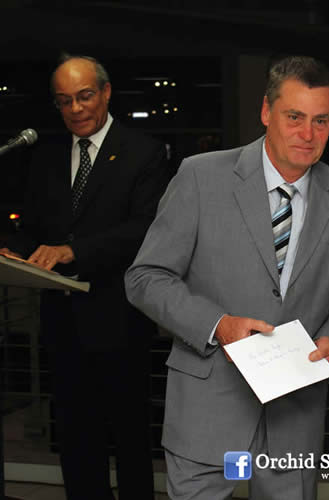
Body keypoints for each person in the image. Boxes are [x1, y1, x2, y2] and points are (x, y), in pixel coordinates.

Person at [124, 55, 329, 500]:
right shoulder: (200, 176)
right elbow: (146, 277)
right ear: (266, 112)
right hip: (207, 411)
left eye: (320, 121)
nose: (308, 134)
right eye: (294, 117)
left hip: (294, 418)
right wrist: (218, 325)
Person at [0, 54, 171, 499]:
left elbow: (145, 228)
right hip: (61, 322)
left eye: (84, 96)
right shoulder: (47, 155)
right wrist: (14, 250)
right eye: (64, 101)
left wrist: (74, 251)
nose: (75, 109)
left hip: (120, 319)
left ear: (106, 92)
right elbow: (34, 227)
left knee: (130, 437)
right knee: (76, 438)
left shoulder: (144, 152)